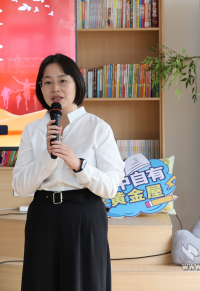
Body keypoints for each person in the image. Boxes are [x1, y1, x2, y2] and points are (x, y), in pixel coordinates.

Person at [12, 53, 125, 291]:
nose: (55, 88)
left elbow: (111, 187)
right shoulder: (32, 130)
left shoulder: (98, 128)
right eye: (48, 82)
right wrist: (48, 157)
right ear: (40, 88)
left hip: (85, 217)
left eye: (63, 80)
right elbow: (20, 187)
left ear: (76, 83)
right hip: (43, 216)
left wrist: (79, 165)